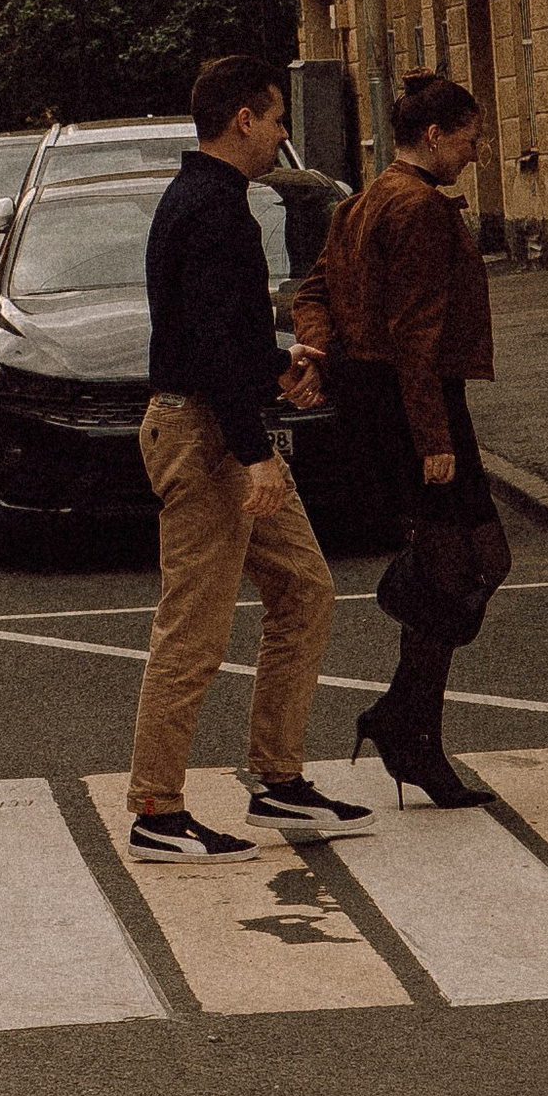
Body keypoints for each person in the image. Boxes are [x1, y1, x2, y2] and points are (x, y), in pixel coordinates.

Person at [124, 54, 366, 864]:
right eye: (276, 117)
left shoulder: (205, 200)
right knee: (193, 631)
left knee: (306, 587)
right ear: (243, 120)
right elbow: (206, 347)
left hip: (212, 420)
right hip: (205, 438)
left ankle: (277, 781)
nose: (284, 133)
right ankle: (157, 809)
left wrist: (278, 368)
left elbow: (220, 334)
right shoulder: (216, 211)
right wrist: (257, 449)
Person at [292, 70, 509, 808]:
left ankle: (401, 718)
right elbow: (416, 334)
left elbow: (311, 293)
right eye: (471, 140)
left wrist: (319, 352)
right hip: (413, 402)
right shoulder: (414, 209)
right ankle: (412, 733)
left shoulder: (361, 202)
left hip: (392, 399)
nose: (476, 154)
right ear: (435, 135)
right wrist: (432, 437)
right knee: (459, 563)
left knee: (477, 559)